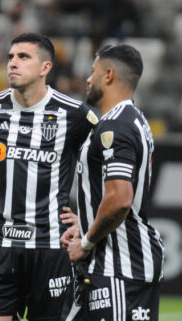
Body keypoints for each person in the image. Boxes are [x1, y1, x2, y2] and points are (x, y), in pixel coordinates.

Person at [0, 33, 98, 321]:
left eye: (23, 57)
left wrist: (87, 220)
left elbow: (107, 166)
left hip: (52, 247)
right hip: (1, 245)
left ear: (45, 68)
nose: (13, 63)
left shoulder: (75, 115)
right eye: (10, 57)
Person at [60, 44, 164, 321]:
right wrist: (86, 222)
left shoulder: (116, 126)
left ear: (108, 75)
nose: (87, 79)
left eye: (92, 72)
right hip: (110, 265)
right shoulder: (131, 120)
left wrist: (87, 241)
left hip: (121, 266)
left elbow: (119, 200)